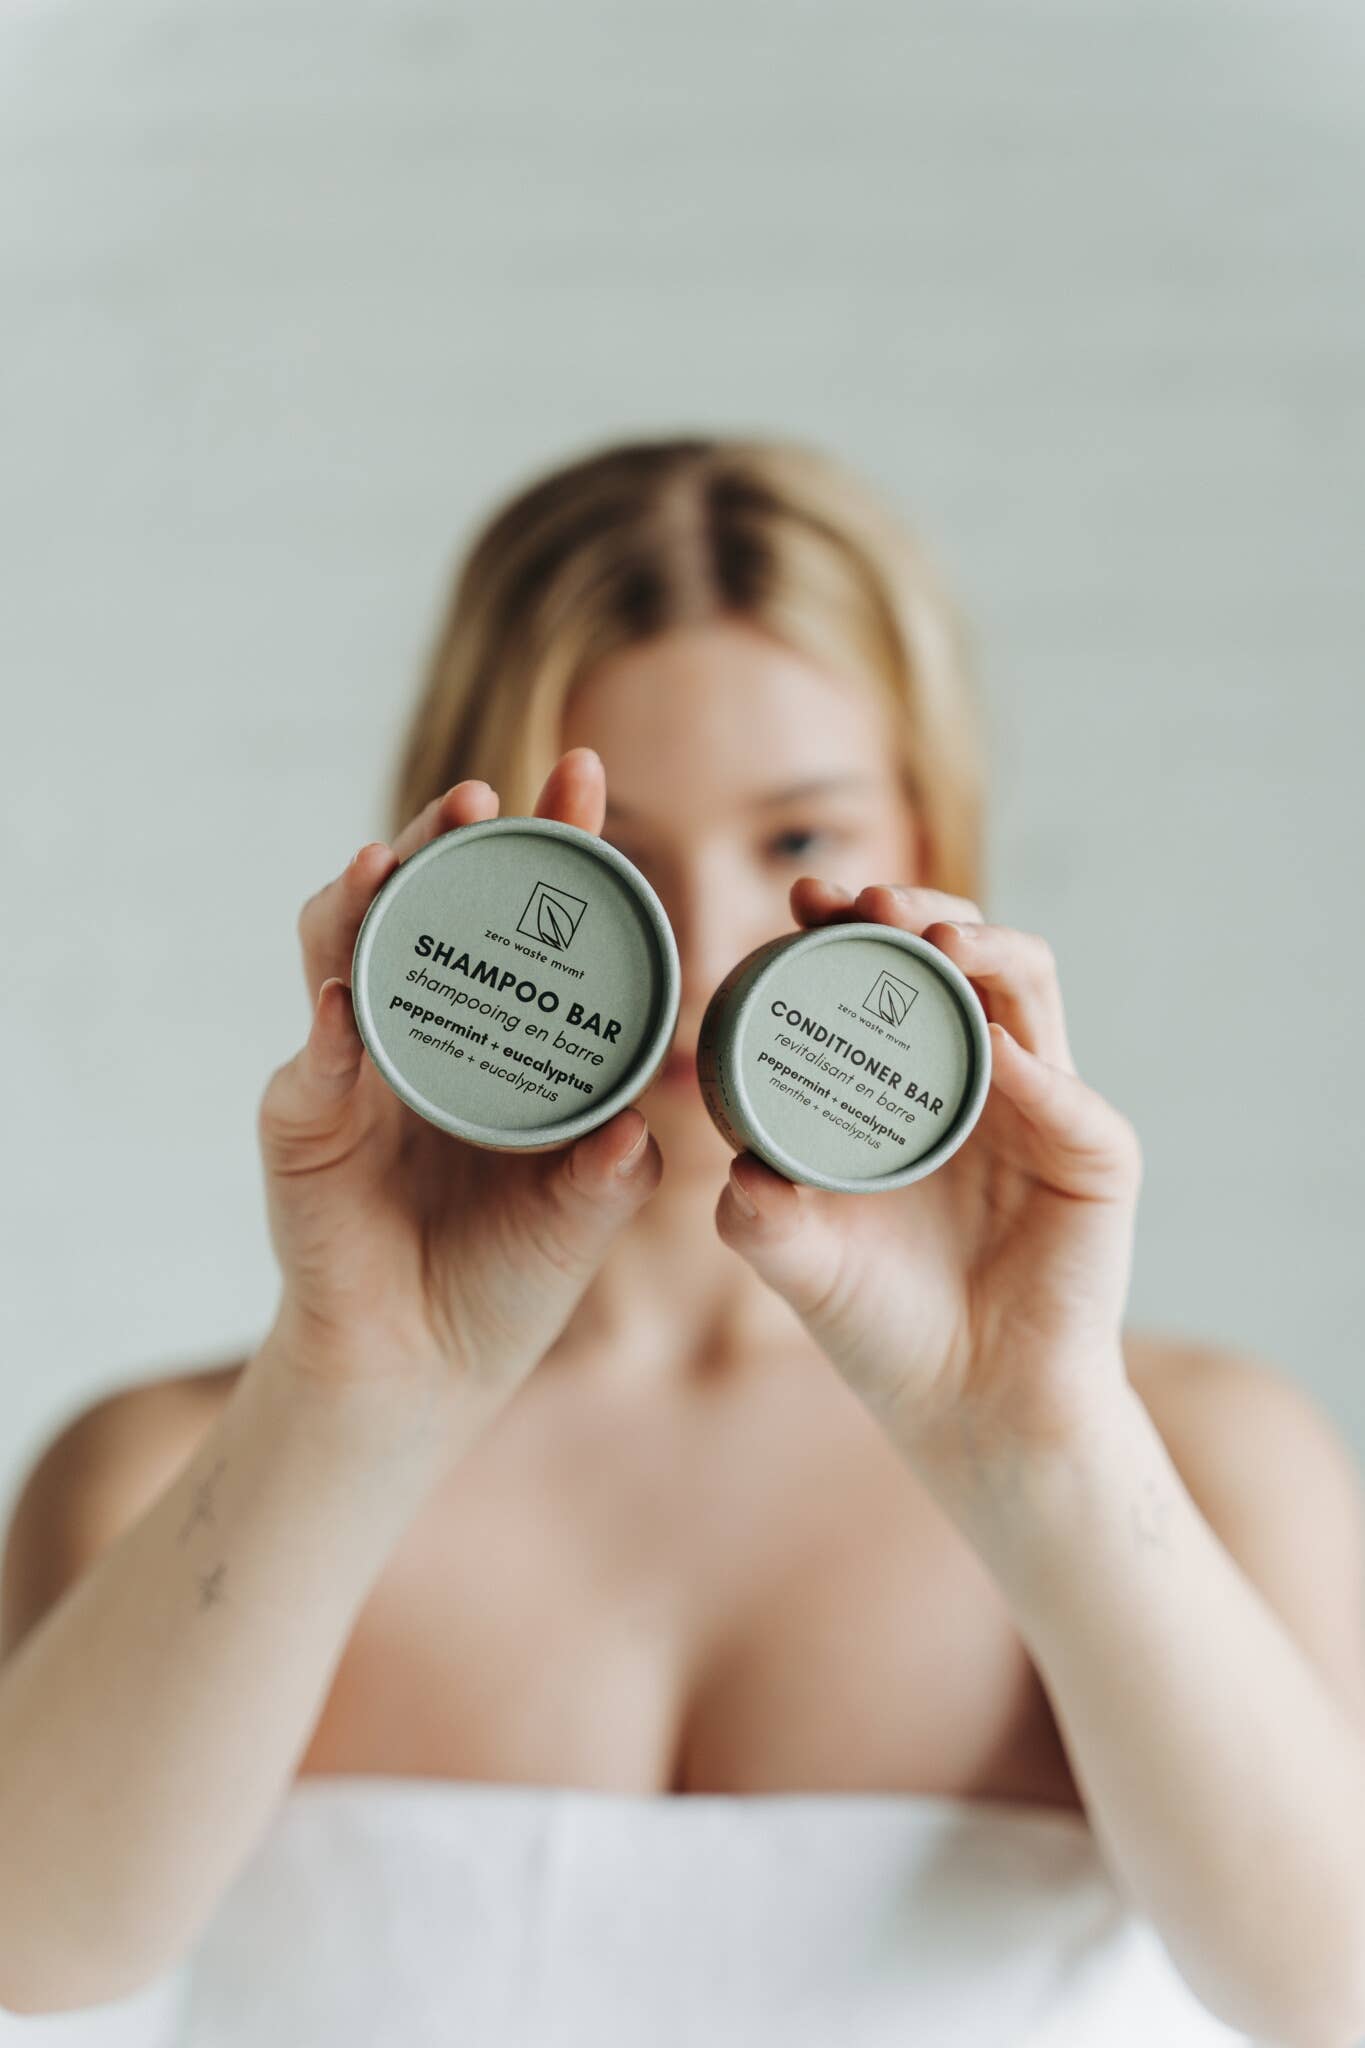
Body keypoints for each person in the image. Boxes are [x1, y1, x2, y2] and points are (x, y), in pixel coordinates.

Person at [2, 435, 1364, 2046]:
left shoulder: (1198, 1459)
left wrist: (1034, 1436)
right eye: (616, 864)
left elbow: (1323, 1994)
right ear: (458, 874)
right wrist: (357, 1385)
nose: (708, 947)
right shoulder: (170, 1469)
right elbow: (35, 1958)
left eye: (796, 841)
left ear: (935, 837)